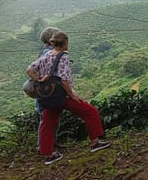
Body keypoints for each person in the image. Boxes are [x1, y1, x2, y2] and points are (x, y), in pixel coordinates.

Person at [27, 31, 110, 165]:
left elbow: (29, 70)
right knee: (90, 112)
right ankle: (95, 142)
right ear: (65, 43)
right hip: (62, 95)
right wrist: (72, 95)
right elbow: (64, 80)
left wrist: (40, 80)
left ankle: (49, 155)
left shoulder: (47, 55)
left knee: (47, 125)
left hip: (48, 97)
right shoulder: (63, 57)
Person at [35, 27, 64, 153]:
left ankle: (51, 142)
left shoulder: (47, 51)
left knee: (51, 118)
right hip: (48, 91)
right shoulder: (49, 52)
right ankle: (42, 146)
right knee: (47, 119)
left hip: (47, 90)